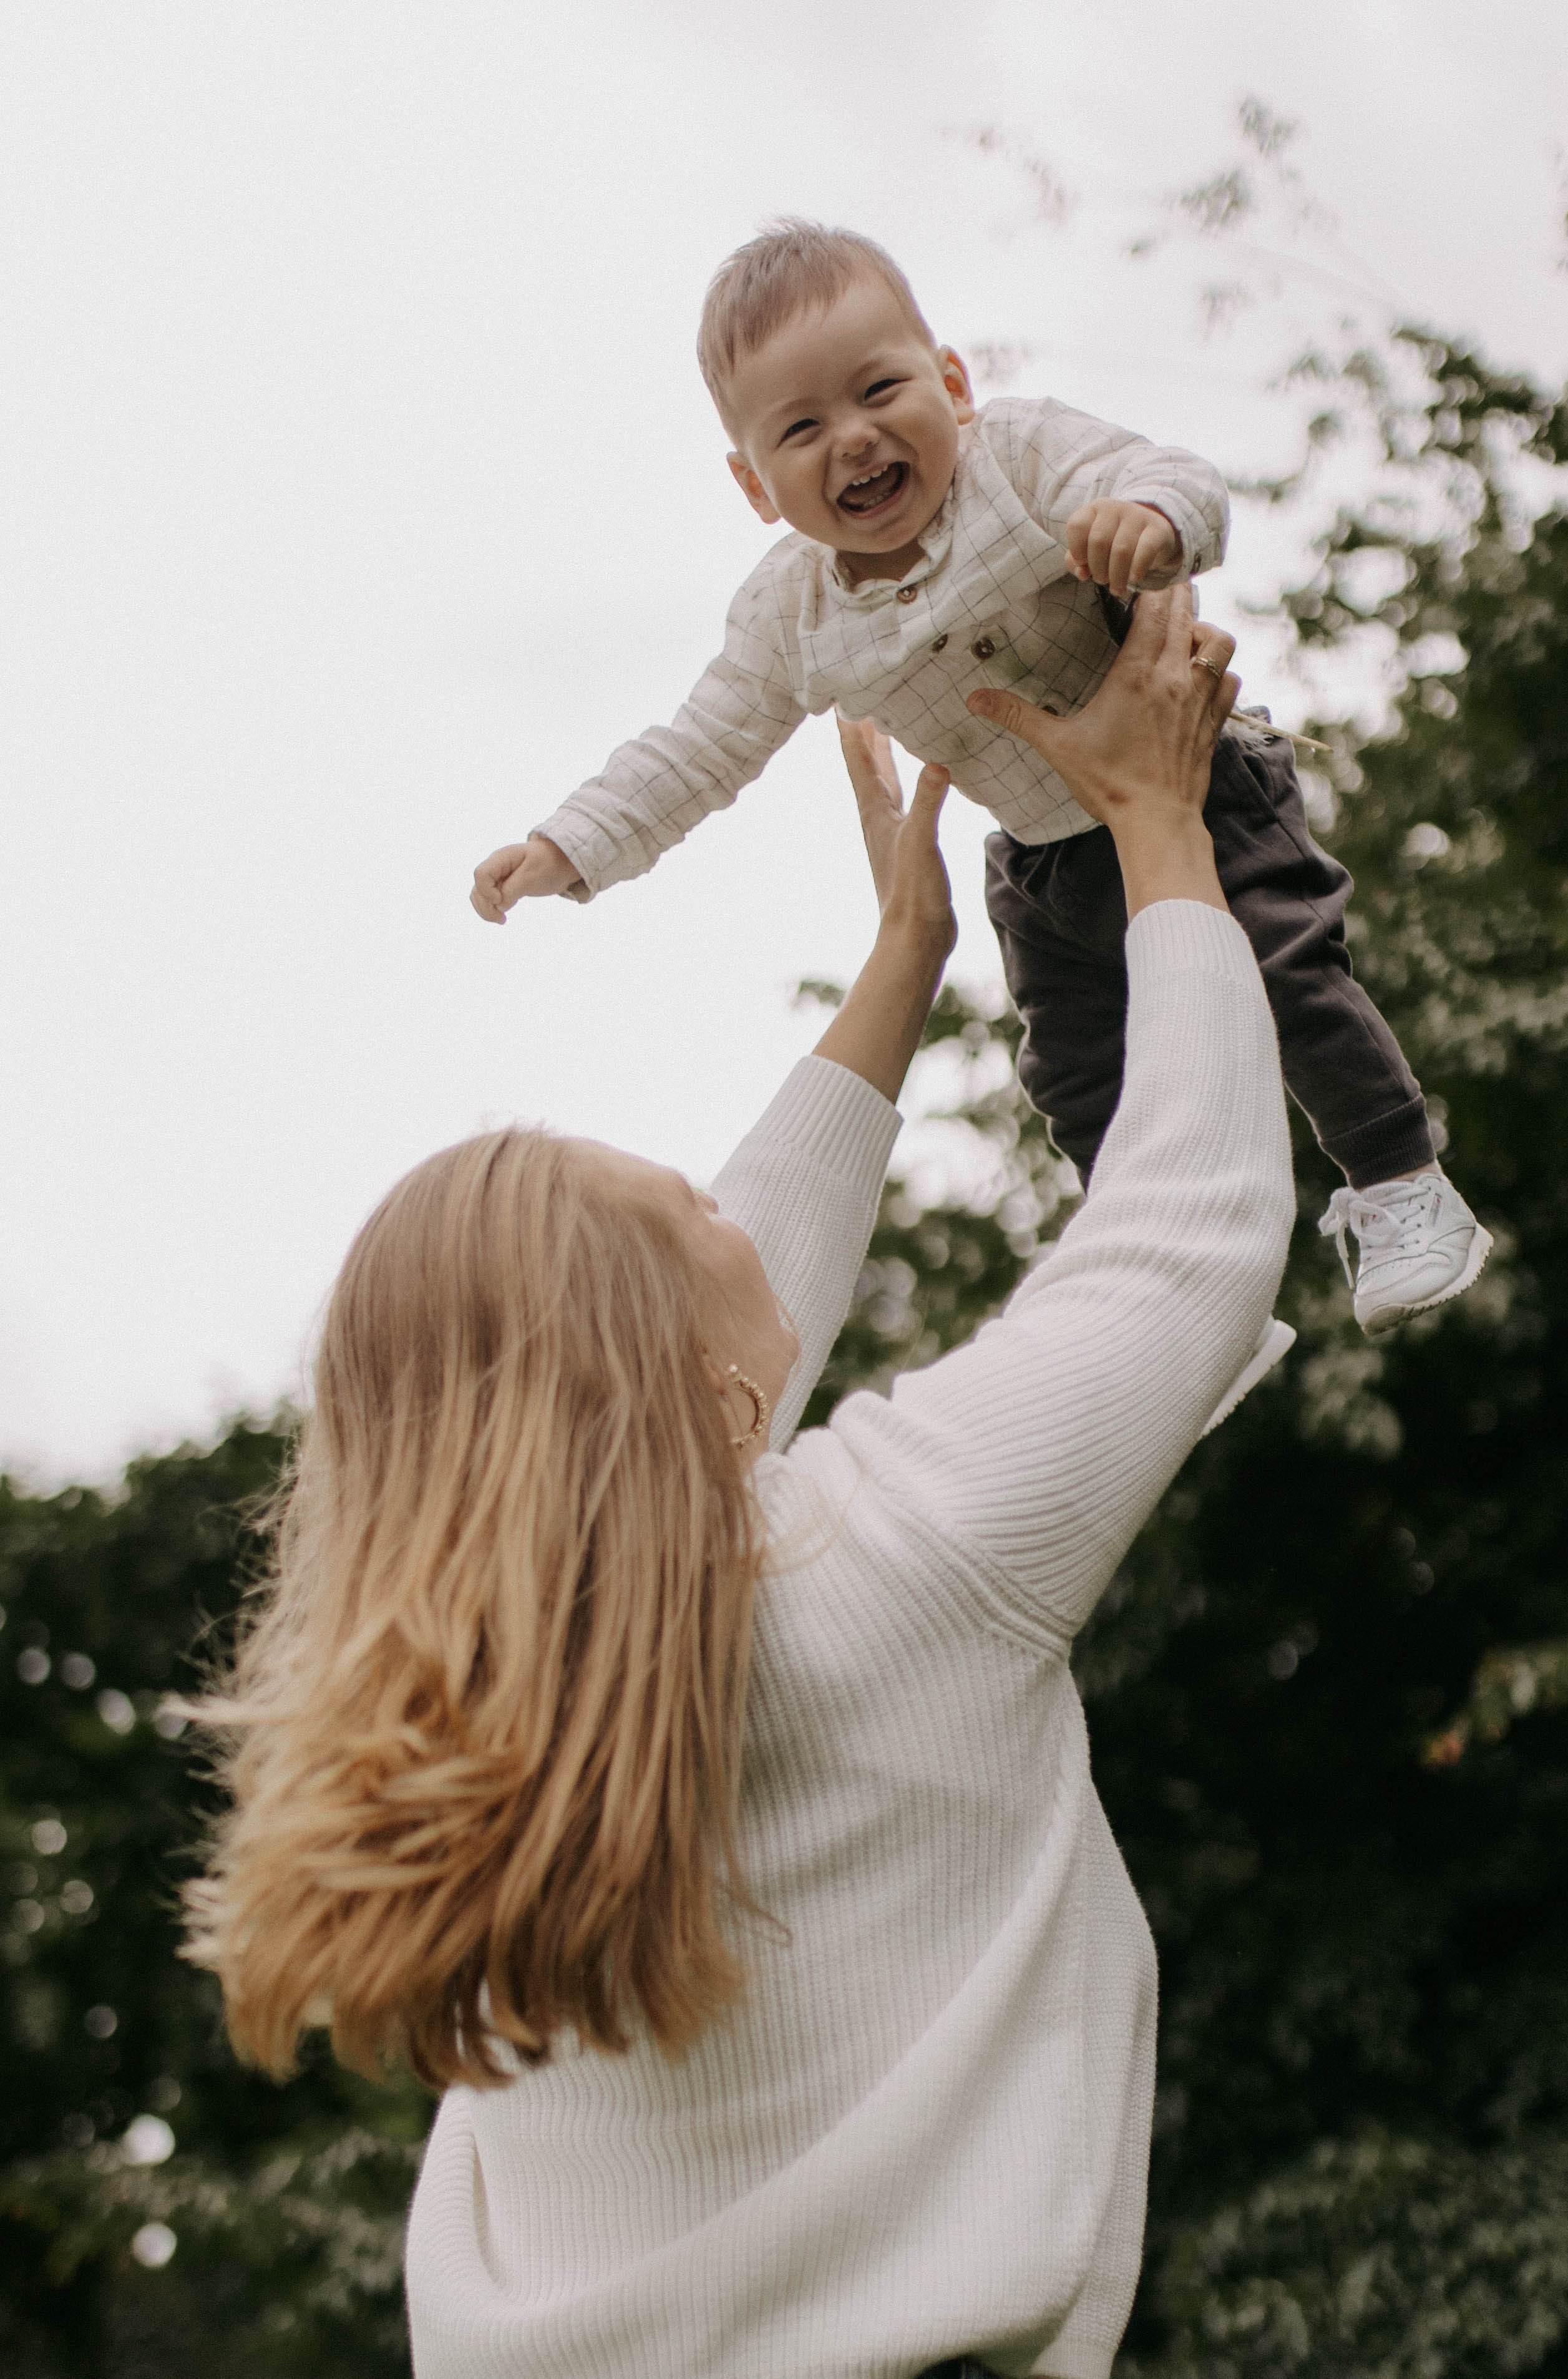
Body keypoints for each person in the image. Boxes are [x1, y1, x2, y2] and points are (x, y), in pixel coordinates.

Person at [187, 589, 1290, 2378]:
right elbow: (1184, 1235)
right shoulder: (891, 1555)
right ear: (667, 1365)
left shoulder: (462, 1721)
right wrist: (1159, 824)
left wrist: (903, 951)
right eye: (687, 1210)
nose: (730, 1204)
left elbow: (686, 1360)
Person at [469, 218, 1490, 1338]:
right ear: (755, 487)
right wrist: (573, 845)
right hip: (1039, 862)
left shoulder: (1020, 456)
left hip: (1197, 781)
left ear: (949, 382)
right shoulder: (786, 614)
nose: (853, 440)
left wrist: (1147, 522)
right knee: (1074, 1076)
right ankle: (1176, 1301)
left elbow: (1179, 478)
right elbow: (700, 744)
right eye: (801, 428)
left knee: (1281, 968)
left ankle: (1399, 1182)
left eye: (877, 391)